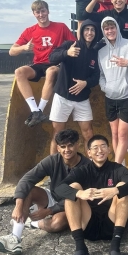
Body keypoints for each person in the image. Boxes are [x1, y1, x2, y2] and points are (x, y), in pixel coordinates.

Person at [0, 129, 89, 255]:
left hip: (71, 203)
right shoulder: (52, 160)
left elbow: (81, 197)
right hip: (52, 196)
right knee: (28, 190)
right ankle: (15, 238)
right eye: (63, 146)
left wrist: (50, 211)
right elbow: (26, 180)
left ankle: (33, 223)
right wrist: (18, 205)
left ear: (77, 145)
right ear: (58, 148)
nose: (66, 150)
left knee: (57, 224)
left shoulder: (87, 167)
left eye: (70, 145)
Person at [55, 134, 128, 255]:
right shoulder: (82, 170)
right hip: (88, 224)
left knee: (122, 186)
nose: (99, 150)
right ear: (89, 152)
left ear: (109, 150)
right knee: (73, 188)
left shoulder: (117, 169)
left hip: (111, 224)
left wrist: (115, 190)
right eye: (95, 148)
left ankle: (115, 248)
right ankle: (80, 248)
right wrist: (80, 193)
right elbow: (59, 188)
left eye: (103, 147)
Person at [9, 0, 76, 127]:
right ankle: (35, 111)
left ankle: (40, 109)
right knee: (19, 72)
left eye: (43, 11)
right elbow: (12, 51)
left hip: (55, 64)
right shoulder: (30, 31)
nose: (41, 14)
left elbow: (75, 44)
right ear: (34, 14)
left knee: (51, 72)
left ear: (48, 11)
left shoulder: (61, 27)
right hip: (39, 64)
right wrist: (23, 48)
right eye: (37, 12)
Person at [98, 17, 128, 165]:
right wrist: (104, 87)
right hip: (110, 96)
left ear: (117, 28)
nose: (110, 31)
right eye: (106, 29)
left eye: (112, 27)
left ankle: (116, 167)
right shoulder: (101, 52)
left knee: (122, 134)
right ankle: (121, 164)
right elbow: (101, 75)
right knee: (114, 133)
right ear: (103, 31)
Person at [48, 20, 100, 155]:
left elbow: (96, 76)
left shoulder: (95, 53)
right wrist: (66, 53)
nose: (89, 32)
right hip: (62, 97)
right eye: (86, 29)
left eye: (92, 30)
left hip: (82, 99)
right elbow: (52, 57)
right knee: (58, 134)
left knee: (88, 132)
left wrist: (85, 83)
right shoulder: (70, 45)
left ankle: (91, 166)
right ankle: (54, 168)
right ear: (81, 32)